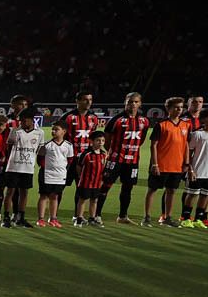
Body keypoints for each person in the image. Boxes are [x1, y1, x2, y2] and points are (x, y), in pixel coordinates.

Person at [101, 92, 151, 225]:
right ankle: (96, 215)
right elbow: (106, 140)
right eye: (130, 102)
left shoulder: (144, 121)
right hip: (115, 160)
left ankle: (122, 216)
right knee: (105, 186)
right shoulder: (116, 120)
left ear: (140, 103)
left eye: (136, 102)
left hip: (132, 161)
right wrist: (113, 152)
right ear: (125, 103)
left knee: (128, 188)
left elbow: (142, 139)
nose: (133, 104)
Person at [143, 97, 191, 227]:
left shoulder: (186, 125)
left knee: (171, 191)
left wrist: (186, 162)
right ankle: (146, 217)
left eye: (181, 107)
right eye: (176, 107)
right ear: (168, 108)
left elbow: (186, 144)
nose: (179, 110)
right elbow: (153, 145)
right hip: (161, 165)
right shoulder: (161, 125)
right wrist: (155, 164)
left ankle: (167, 217)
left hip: (177, 165)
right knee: (152, 190)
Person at [0, 94, 33, 223]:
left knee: (16, 188)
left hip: (20, 160)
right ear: (13, 105)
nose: (24, 107)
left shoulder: (30, 122)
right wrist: (1, 154)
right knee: (0, 186)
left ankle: (15, 214)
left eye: (25, 105)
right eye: (21, 104)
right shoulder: (7, 121)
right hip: (4, 159)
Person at [0, 107, 42, 228]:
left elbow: (39, 149)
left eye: (24, 121)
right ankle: (6, 217)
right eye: (20, 120)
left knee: (24, 193)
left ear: (31, 120)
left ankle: (20, 218)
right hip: (14, 167)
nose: (21, 123)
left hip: (28, 168)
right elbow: (9, 147)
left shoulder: (40, 133)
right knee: (10, 192)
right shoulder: (15, 131)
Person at [37, 120, 73, 228]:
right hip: (46, 174)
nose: (53, 131)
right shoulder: (46, 145)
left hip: (60, 175)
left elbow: (70, 160)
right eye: (52, 129)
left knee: (55, 196)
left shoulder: (68, 145)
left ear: (64, 131)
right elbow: (40, 159)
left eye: (56, 129)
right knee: (44, 196)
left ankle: (53, 219)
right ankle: (41, 219)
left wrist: (62, 169)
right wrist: (47, 168)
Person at [178, 94, 206, 223]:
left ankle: (185, 215)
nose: (197, 104)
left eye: (200, 102)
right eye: (194, 102)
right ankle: (165, 214)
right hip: (181, 157)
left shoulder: (204, 120)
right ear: (189, 104)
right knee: (172, 187)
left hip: (198, 159)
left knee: (190, 188)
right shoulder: (183, 119)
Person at [73, 130, 109, 227]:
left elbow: (103, 167)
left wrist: (102, 179)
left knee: (94, 200)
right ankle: (79, 219)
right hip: (86, 182)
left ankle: (92, 219)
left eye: (102, 141)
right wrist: (81, 177)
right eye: (98, 140)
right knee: (82, 200)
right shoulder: (86, 154)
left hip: (97, 182)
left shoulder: (103, 154)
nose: (100, 143)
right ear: (91, 141)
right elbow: (79, 167)